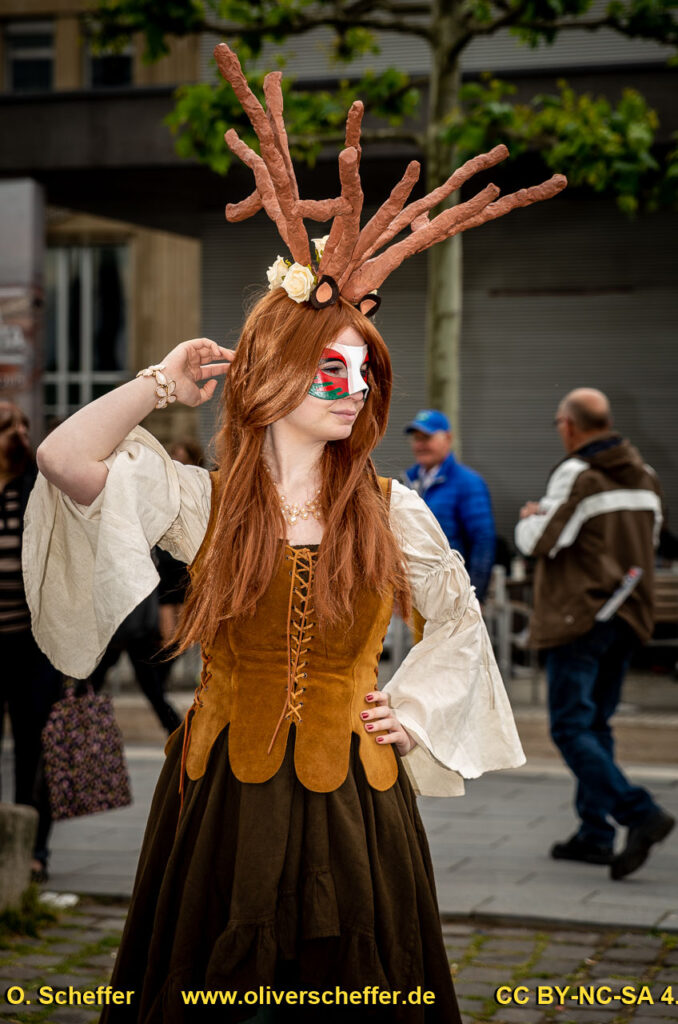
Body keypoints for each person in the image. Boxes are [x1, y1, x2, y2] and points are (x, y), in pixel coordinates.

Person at [23, 41, 567, 1022]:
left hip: (356, 797)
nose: (350, 388)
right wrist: (158, 382)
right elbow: (64, 461)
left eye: (359, 372)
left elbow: (459, 620)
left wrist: (416, 705)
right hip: (221, 794)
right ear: (268, 377)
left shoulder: (393, 507)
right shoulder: (205, 502)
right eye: (327, 367)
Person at [515, 387, 675, 880]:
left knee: (569, 727)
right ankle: (595, 835)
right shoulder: (645, 477)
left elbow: (542, 541)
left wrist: (530, 518)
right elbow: (650, 543)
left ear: (569, 425)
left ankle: (638, 813)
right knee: (596, 726)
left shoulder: (576, 474)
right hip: (627, 616)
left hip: (579, 617)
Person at [0, 401, 62, 882]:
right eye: (7, 427)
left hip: (34, 645)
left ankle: (34, 851)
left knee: (35, 748)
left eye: (23, 424)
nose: (19, 433)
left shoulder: (35, 490)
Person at [404, 410, 496, 602]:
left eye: (427, 437)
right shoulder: (406, 482)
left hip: (450, 596)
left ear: (448, 438)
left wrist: (473, 597)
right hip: (415, 596)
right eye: (416, 438)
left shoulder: (468, 483)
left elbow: (483, 542)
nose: (420, 444)